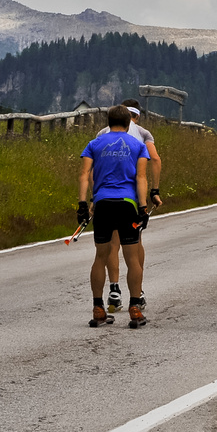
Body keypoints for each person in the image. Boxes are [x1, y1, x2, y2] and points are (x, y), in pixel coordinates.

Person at [79, 104, 152, 328]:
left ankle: (98, 307)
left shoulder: (94, 144)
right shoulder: (138, 145)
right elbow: (141, 177)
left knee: (100, 256)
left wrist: (83, 204)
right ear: (130, 122)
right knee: (132, 257)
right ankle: (134, 308)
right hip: (127, 204)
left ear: (108, 122)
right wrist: (143, 207)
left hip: (102, 203)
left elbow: (84, 174)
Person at [97, 98, 164, 312]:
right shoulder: (143, 134)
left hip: (104, 195)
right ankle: (138, 292)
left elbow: (92, 166)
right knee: (134, 246)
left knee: (110, 245)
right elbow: (155, 159)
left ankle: (114, 289)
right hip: (131, 195)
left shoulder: (100, 135)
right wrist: (154, 191)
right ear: (136, 117)